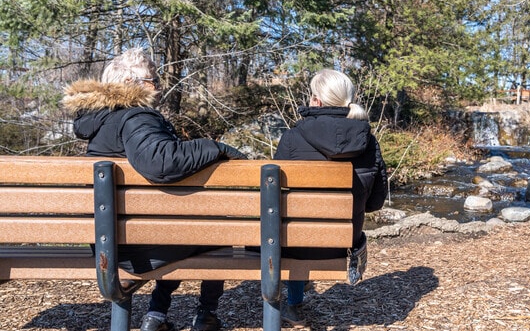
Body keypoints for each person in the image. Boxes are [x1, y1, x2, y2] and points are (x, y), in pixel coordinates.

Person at [63, 47, 247, 331]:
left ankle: (156, 315)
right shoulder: (135, 116)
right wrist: (214, 146)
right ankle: (204, 314)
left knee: (184, 228)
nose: (158, 85)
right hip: (140, 247)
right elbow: (160, 162)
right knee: (217, 231)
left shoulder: (102, 121)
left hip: (111, 241)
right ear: (128, 84)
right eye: (152, 79)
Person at [273, 69, 388, 326]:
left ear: (316, 101)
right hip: (344, 241)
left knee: (294, 227)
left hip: (297, 242)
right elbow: (375, 202)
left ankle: (293, 305)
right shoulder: (368, 141)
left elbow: (274, 201)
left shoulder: (292, 138)